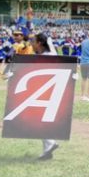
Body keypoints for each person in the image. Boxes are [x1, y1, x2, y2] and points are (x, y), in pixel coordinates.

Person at [31, 32, 61, 161]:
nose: (32, 44)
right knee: (43, 120)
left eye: (34, 42)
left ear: (39, 43)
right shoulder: (50, 54)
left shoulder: (44, 57)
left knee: (39, 119)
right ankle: (47, 150)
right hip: (51, 92)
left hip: (45, 93)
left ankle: (50, 143)